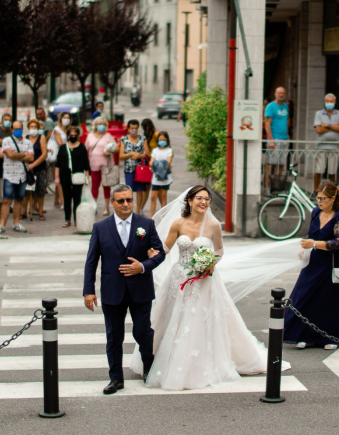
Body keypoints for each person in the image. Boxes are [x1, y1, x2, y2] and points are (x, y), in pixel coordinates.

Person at [129, 185, 309, 390]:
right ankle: (163, 359)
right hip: (179, 280)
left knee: (198, 320)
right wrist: (151, 253)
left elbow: (220, 250)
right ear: (189, 201)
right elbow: (166, 248)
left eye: (207, 199)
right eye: (199, 198)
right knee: (172, 319)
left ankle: (198, 364)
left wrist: (211, 263)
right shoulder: (178, 223)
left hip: (204, 281)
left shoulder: (213, 225)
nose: (204, 202)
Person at [82, 184, 166, 395]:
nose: (126, 204)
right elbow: (91, 261)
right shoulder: (100, 228)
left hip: (141, 289)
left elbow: (160, 253)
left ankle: (149, 366)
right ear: (112, 203)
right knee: (114, 337)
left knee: (143, 331)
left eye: (129, 200)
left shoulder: (146, 224)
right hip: (112, 290)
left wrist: (143, 266)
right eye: (121, 201)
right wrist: (88, 291)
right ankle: (115, 378)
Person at [284, 183, 339, 350]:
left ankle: (329, 337)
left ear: (332, 199)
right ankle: (301, 334)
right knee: (304, 294)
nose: (319, 201)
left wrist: (314, 244)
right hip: (315, 259)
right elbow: (311, 233)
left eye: (323, 198)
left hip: (335, 262)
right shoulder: (316, 212)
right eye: (318, 197)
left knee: (330, 299)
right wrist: (304, 247)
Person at [0, 121, 33, 234]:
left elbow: (31, 158)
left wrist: (17, 155)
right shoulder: (7, 141)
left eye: (19, 128)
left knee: (19, 200)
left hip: (22, 176)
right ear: (11, 130)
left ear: (23, 129)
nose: (17, 131)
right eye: (15, 129)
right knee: (6, 200)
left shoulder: (28, 142)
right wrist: (24, 154)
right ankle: (2, 225)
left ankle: (16, 223)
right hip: (9, 175)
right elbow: (10, 155)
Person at [55, 125, 90, 228]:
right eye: (71, 135)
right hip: (65, 175)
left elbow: (86, 163)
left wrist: (87, 176)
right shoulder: (63, 147)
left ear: (78, 135)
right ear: (68, 136)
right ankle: (67, 219)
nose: (73, 136)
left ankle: (76, 219)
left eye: (75, 135)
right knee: (66, 198)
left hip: (78, 175)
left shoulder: (82, 147)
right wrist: (57, 178)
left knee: (77, 198)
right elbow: (58, 163)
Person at [85, 116, 117, 217]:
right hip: (93, 164)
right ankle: (94, 206)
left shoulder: (108, 136)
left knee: (106, 186)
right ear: (95, 125)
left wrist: (109, 151)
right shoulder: (90, 136)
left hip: (106, 165)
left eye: (104, 124)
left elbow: (116, 148)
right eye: (100, 124)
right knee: (94, 186)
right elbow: (86, 148)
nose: (102, 126)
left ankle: (106, 207)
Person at [313, 93, 339, 193]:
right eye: (327, 101)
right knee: (319, 170)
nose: (329, 103)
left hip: (335, 146)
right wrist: (334, 127)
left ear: (335, 102)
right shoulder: (319, 114)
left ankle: (332, 192)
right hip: (321, 146)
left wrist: (327, 125)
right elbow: (318, 130)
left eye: (331, 101)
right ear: (324, 102)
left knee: (333, 171)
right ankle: (316, 190)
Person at [119, 119, 150, 215]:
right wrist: (130, 154)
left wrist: (139, 155)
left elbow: (148, 153)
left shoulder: (142, 139)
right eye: (132, 128)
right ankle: (130, 209)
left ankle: (138, 210)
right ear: (128, 128)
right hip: (129, 169)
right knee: (130, 191)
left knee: (140, 190)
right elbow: (121, 156)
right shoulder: (124, 140)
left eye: (136, 128)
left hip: (140, 169)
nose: (134, 130)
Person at [264, 87, 290, 197]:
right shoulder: (270, 106)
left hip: (284, 139)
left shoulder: (285, 106)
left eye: (283, 93)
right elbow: (267, 124)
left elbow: (287, 120)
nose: (281, 95)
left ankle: (276, 187)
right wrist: (271, 140)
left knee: (280, 165)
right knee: (270, 164)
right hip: (274, 140)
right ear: (275, 94)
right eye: (279, 93)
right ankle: (266, 187)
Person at [25, 119, 49, 221]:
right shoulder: (25, 138)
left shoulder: (41, 137)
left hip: (40, 167)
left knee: (40, 190)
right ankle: (23, 211)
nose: (33, 129)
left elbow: (44, 154)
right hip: (28, 168)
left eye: (35, 127)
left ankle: (40, 211)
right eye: (32, 127)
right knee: (26, 191)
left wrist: (34, 164)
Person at [149, 131, 172, 218]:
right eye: (160, 139)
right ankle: (151, 217)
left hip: (165, 177)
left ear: (167, 140)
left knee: (163, 196)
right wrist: (161, 163)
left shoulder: (169, 150)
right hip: (156, 177)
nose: (162, 141)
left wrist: (156, 163)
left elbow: (168, 162)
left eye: (164, 139)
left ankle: (163, 216)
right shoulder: (155, 150)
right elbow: (151, 162)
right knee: (153, 197)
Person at [51, 112, 71, 210]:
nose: (66, 119)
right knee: (59, 179)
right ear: (61, 119)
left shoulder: (70, 130)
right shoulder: (57, 130)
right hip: (60, 156)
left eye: (68, 118)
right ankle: (63, 202)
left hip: (69, 157)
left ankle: (56, 200)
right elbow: (60, 143)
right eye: (64, 117)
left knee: (60, 180)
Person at [140, 118, 158, 212]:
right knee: (146, 187)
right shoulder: (146, 136)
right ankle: (141, 207)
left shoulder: (156, 134)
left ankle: (143, 208)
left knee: (156, 188)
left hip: (156, 161)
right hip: (148, 161)